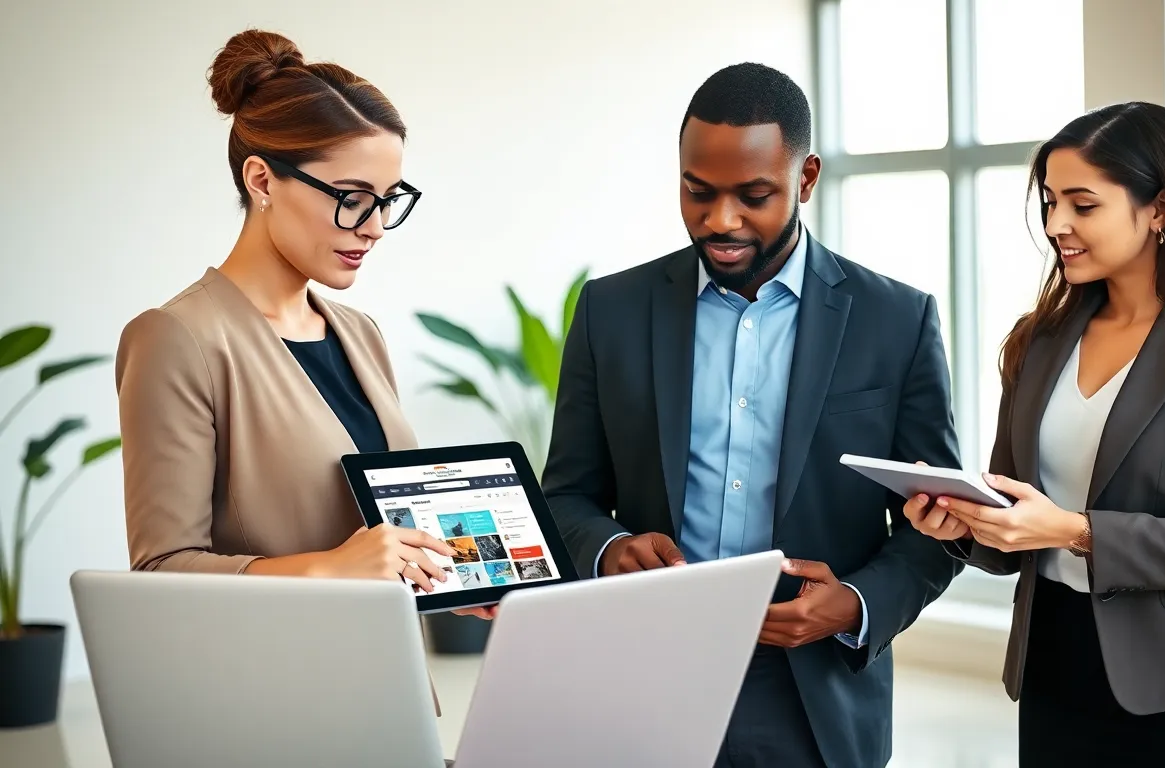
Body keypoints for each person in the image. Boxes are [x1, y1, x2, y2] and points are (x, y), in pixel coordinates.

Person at [542, 62, 964, 768]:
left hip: (816, 690)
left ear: (806, 180)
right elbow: (566, 495)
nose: (721, 221)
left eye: (754, 196)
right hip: (647, 677)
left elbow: (939, 524)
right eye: (697, 193)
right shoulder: (610, 311)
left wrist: (856, 603)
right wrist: (611, 548)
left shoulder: (897, 319)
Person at [903, 101, 1165, 767]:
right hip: (1056, 670)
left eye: (1083, 205)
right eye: (1051, 201)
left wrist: (1075, 530)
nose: (1056, 224)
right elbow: (1018, 523)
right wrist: (967, 526)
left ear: (1161, 209)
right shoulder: (1040, 339)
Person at [114, 29, 494, 698]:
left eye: (387, 200)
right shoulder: (177, 338)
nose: (373, 226)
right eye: (350, 197)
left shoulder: (359, 333)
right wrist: (330, 569)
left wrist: (441, 575)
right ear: (261, 179)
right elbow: (161, 570)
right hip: (271, 698)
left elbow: (376, 533)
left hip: (387, 684)